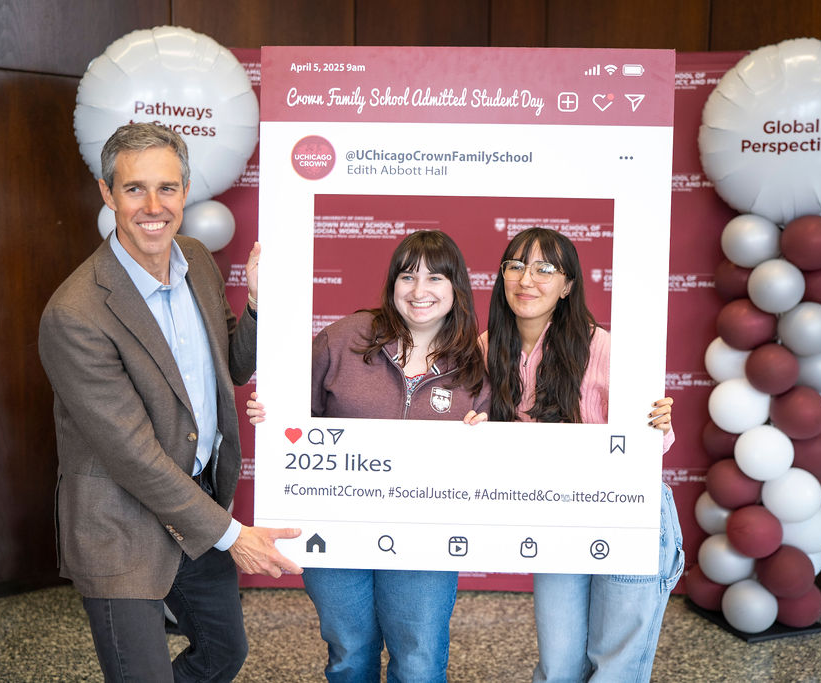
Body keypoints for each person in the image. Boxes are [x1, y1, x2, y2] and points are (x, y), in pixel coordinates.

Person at [38, 122, 302, 683]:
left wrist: (256, 302)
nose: (153, 206)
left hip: (194, 500)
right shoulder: (75, 314)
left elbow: (230, 363)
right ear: (108, 194)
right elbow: (132, 456)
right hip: (121, 523)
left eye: (168, 187)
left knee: (223, 652)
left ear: (185, 191)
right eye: (135, 189)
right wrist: (237, 538)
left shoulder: (196, 259)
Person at [247, 229, 489, 682]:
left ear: (456, 288)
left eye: (435, 278)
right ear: (391, 284)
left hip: (426, 537)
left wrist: (486, 435)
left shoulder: (477, 364)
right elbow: (293, 417)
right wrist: (272, 414)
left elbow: (499, 453)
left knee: (418, 661)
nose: (419, 291)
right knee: (348, 655)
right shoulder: (343, 338)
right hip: (334, 529)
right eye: (407, 276)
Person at [483, 227, 683, 683]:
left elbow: (650, 444)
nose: (526, 279)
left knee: (615, 669)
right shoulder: (487, 347)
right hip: (558, 517)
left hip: (626, 512)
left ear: (568, 285)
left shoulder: (605, 348)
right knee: (558, 667)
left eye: (543, 269)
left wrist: (659, 425)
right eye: (515, 266)